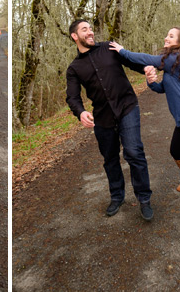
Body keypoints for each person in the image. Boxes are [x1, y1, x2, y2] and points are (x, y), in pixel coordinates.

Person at [109, 27, 180, 213]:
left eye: (171, 36)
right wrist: (150, 82)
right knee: (175, 150)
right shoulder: (173, 64)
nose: (166, 38)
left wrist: (122, 51)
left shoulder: (175, 58)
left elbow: (147, 59)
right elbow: (162, 89)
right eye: (167, 35)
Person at [65, 19, 154, 221]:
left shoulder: (109, 47)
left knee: (133, 151)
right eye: (84, 29)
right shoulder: (74, 68)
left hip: (127, 107)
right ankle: (117, 197)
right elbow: (72, 96)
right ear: (74, 36)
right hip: (103, 117)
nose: (90, 32)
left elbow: (132, 62)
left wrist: (147, 69)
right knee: (110, 159)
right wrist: (80, 112)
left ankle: (144, 199)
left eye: (90, 28)